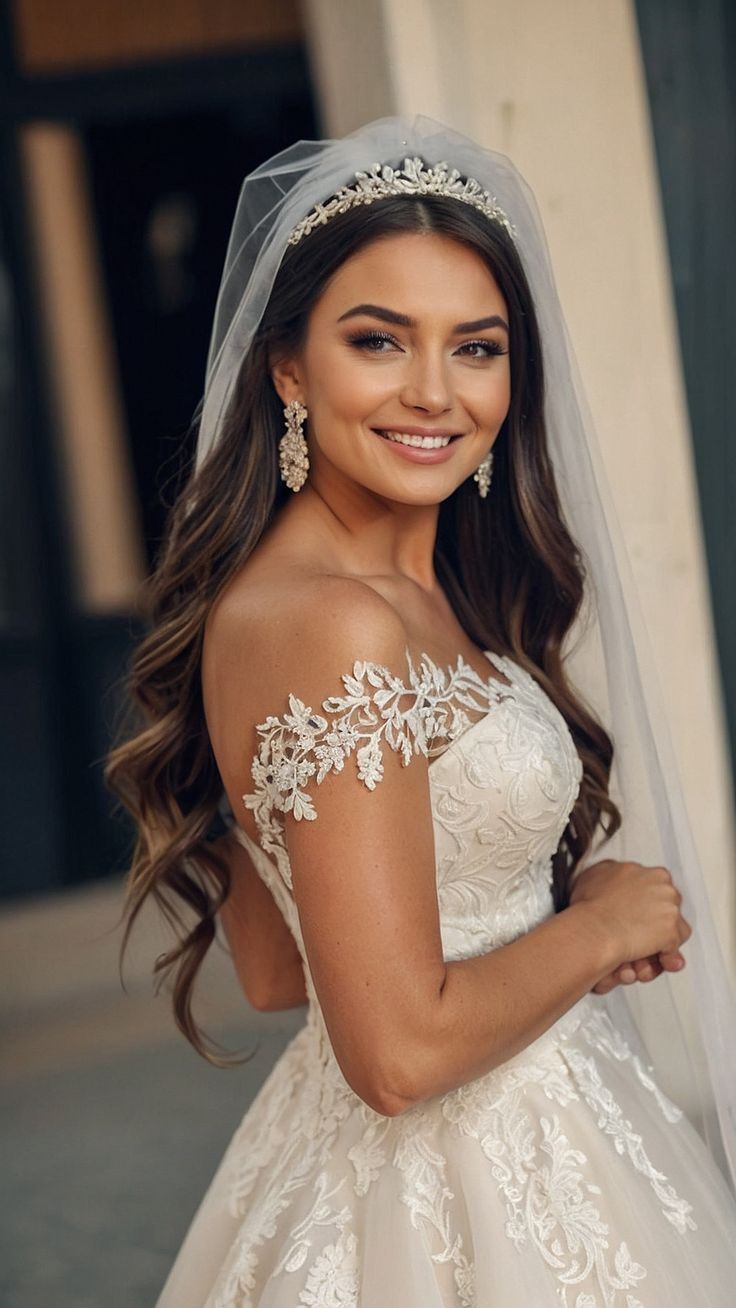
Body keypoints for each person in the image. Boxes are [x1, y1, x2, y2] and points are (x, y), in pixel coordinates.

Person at [106, 116, 736, 1305]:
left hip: (540, 1135)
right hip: (452, 1197)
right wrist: (596, 925)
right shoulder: (331, 620)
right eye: (379, 341)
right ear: (287, 368)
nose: (434, 392)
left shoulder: (397, 591)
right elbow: (394, 1058)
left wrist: (534, 936)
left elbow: (278, 971)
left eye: (477, 347)